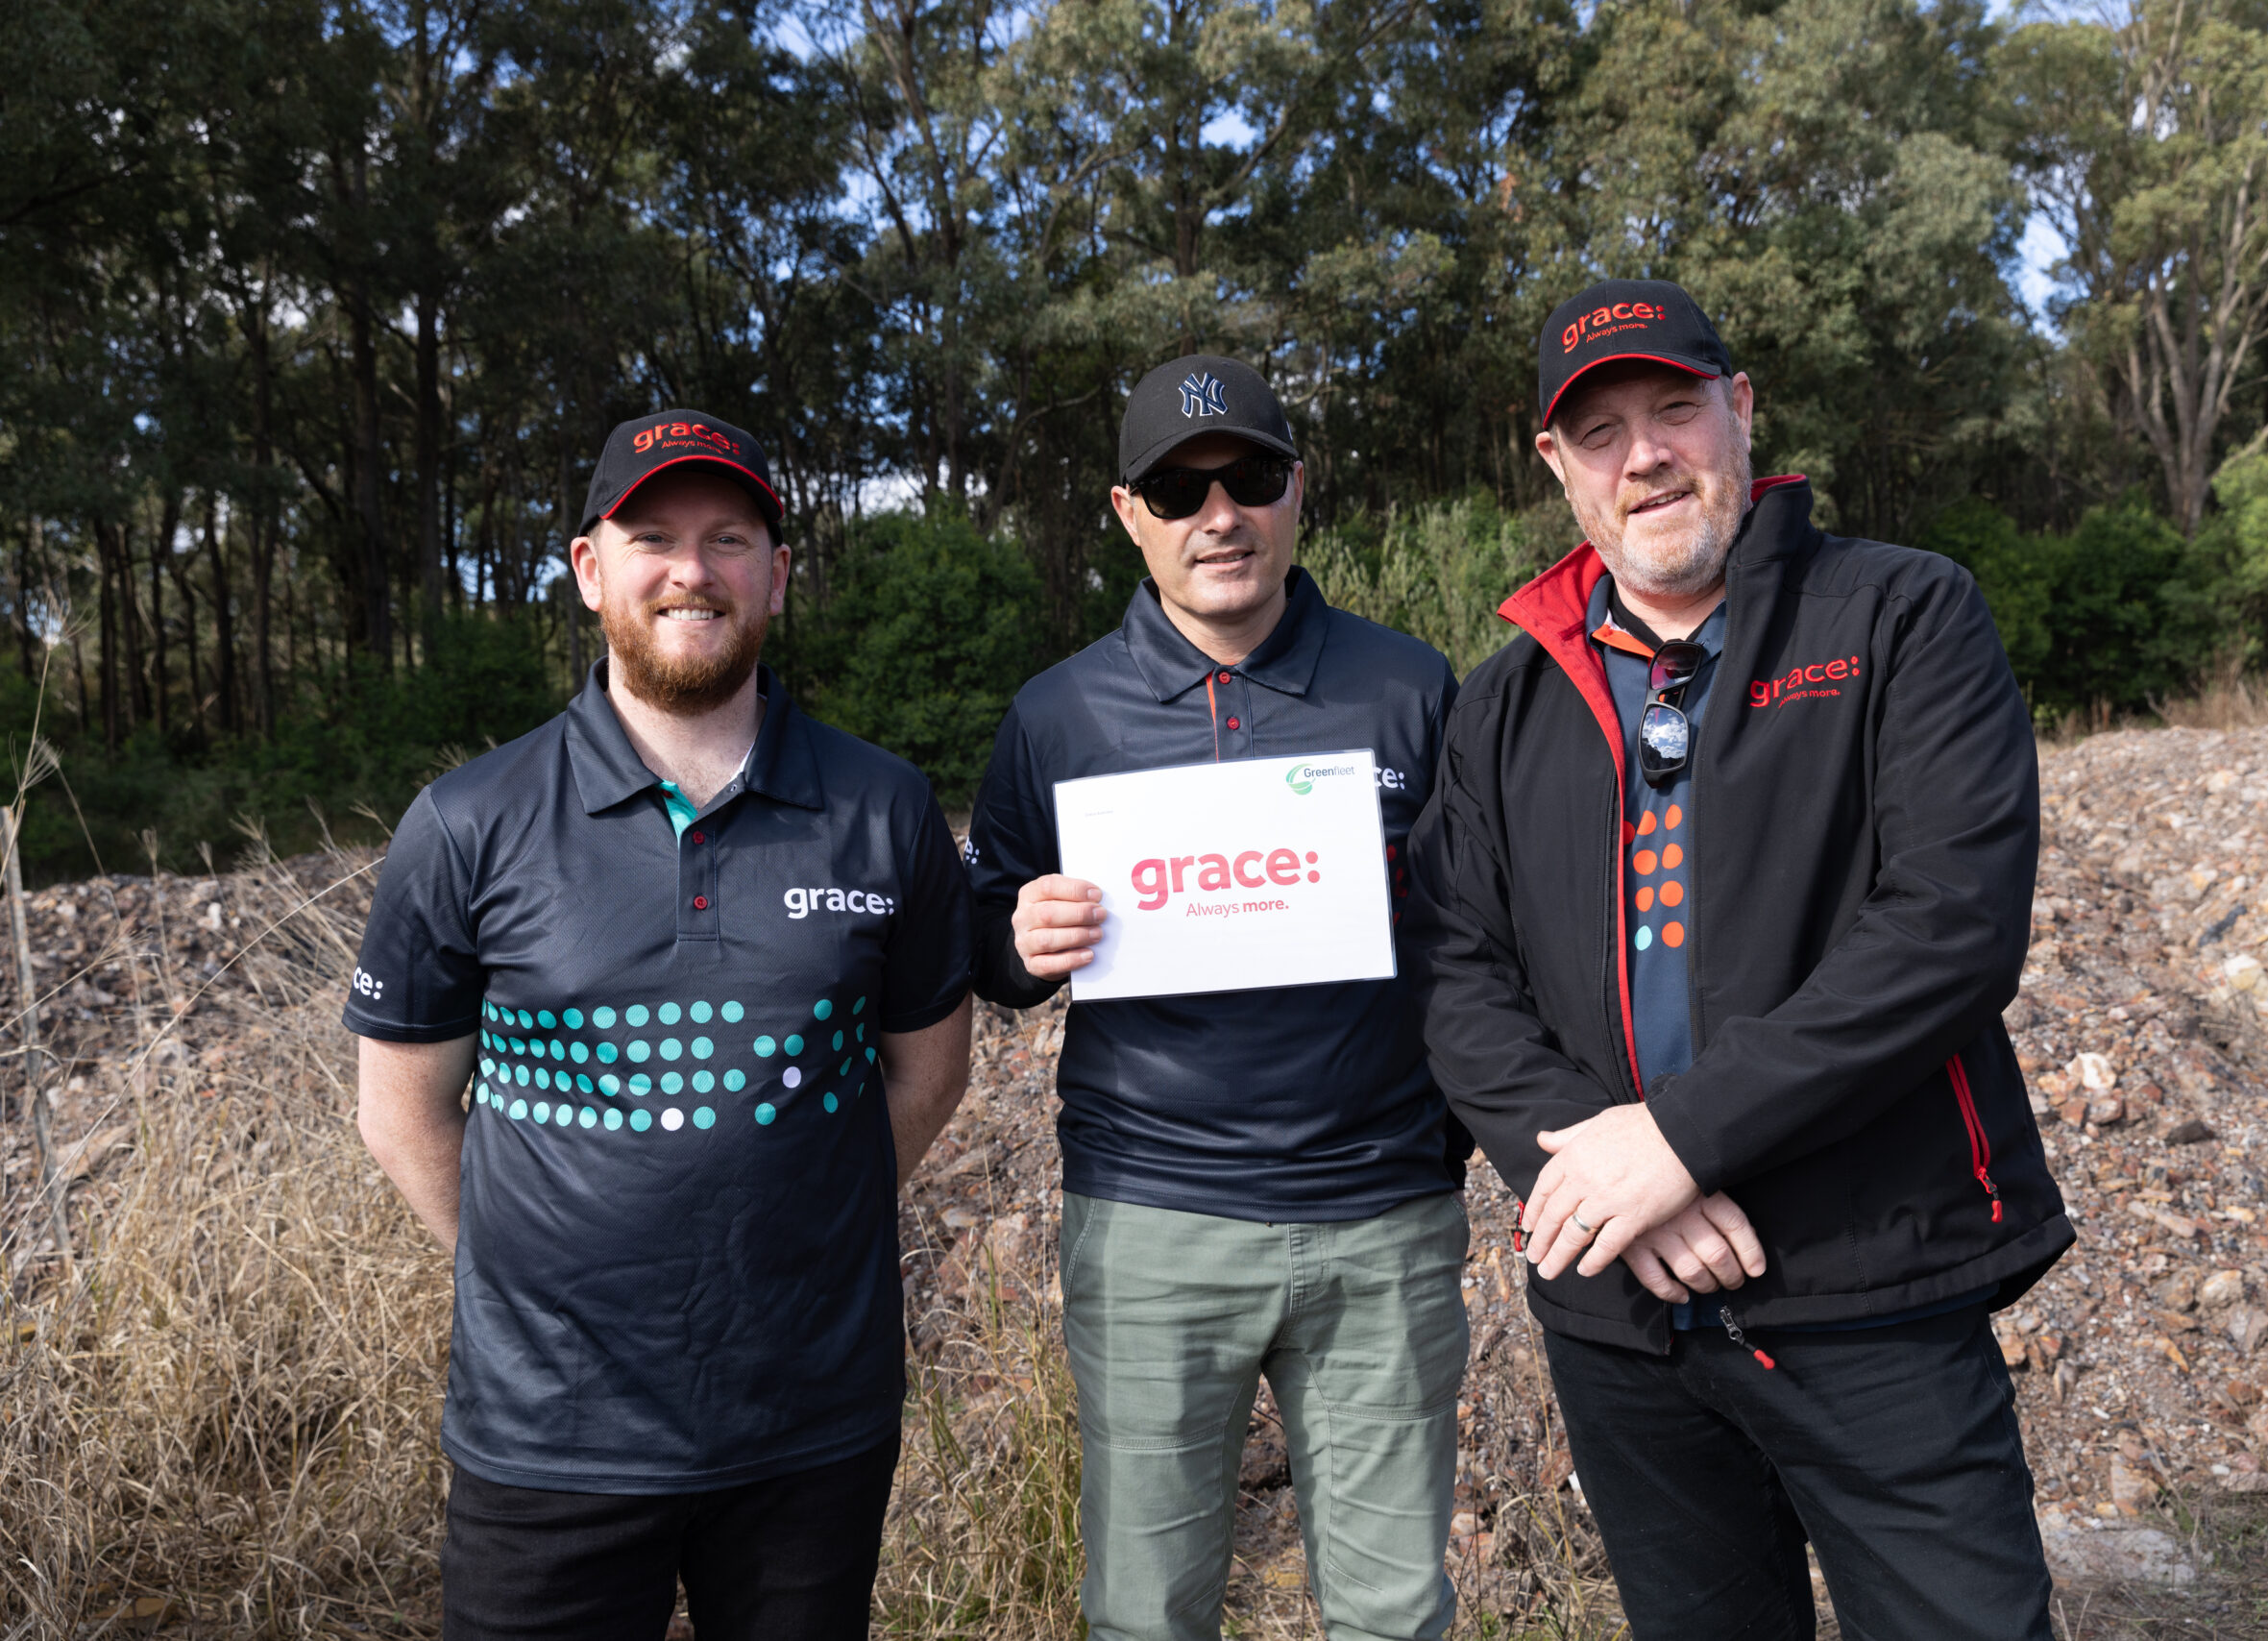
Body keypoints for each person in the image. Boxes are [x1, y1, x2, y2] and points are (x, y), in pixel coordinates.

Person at [1407, 281, 2070, 1638]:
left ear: (1741, 408)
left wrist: (1684, 1140)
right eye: (1599, 431)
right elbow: (1454, 969)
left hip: (1867, 1285)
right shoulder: (1504, 699)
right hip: (1623, 1315)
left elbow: (1950, 924)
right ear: (1557, 467)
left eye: (1673, 408)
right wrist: (1593, 1165)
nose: (1643, 454)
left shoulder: (1899, 617)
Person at [348, 410, 974, 1641]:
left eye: (729, 538)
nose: (692, 569)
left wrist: (798, 1216)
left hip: (810, 1429)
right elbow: (402, 1109)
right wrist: (537, 1277)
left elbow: (927, 1075)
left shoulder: (885, 807)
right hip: (549, 1436)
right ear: (591, 571)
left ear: (777, 575)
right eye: (654, 537)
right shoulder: (469, 821)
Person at [966, 355, 1466, 1641]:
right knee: (1147, 1609)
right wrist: (1021, 936)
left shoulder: (1411, 689)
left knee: (1396, 1613)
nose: (1218, 516)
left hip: (1382, 1218)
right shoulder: (1056, 714)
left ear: (1298, 489)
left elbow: (1486, 938)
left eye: (1248, 478)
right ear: (1126, 514)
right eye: (1177, 492)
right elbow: (985, 952)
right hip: (1152, 1224)